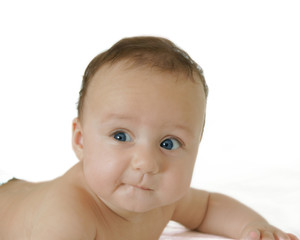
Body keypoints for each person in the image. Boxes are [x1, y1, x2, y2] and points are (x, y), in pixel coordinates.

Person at [0, 36, 298, 240]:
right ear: (81, 140)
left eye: (169, 143)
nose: (146, 163)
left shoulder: (162, 199)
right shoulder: (68, 215)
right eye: (121, 135)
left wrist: (254, 226)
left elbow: (207, 207)